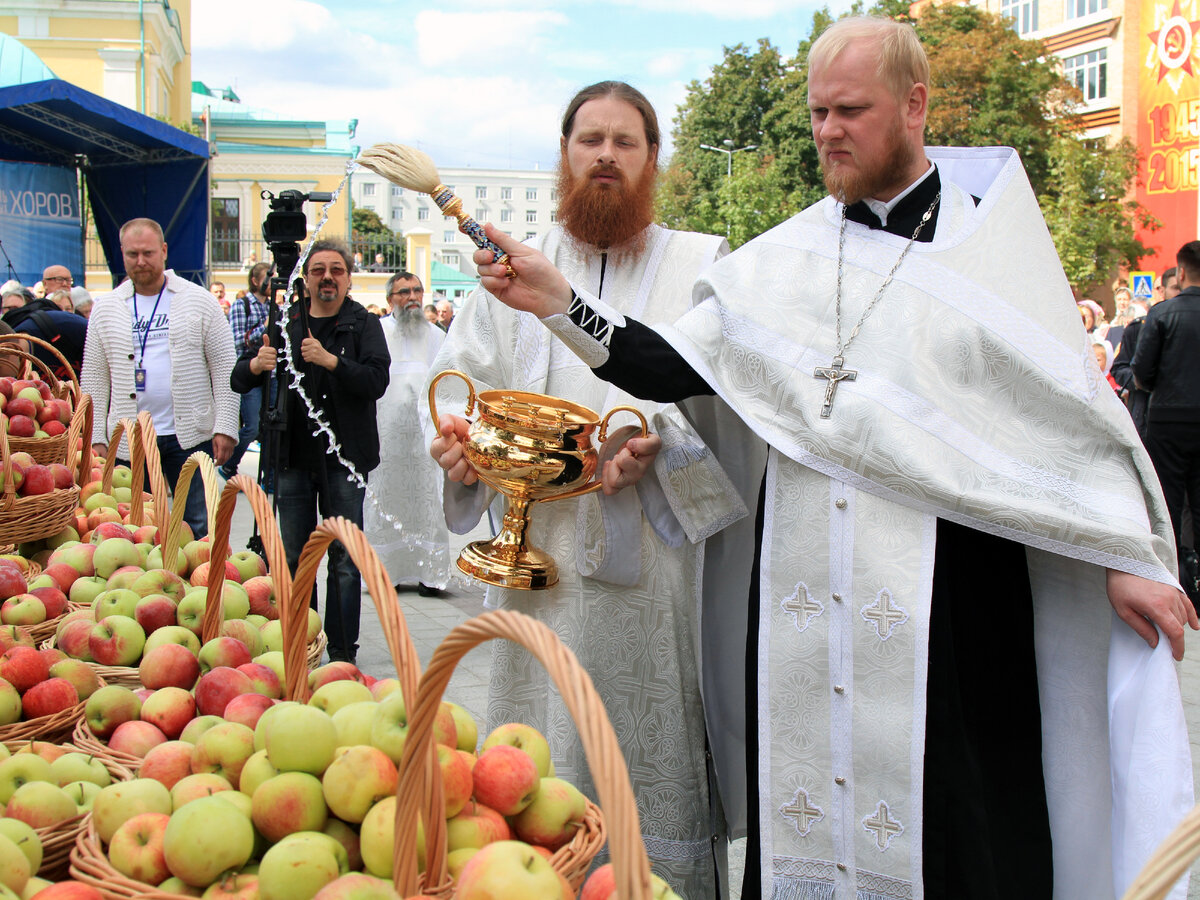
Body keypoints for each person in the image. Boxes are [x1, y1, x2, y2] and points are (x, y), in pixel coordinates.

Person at [457, 19, 1195, 899]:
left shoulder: (991, 257)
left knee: (957, 819)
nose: (827, 132)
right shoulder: (789, 258)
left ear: (915, 105)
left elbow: (1066, 430)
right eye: (817, 113)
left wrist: (1123, 554)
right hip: (807, 597)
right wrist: (556, 301)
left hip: (950, 599)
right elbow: (668, 364)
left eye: (850, 110)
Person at [425, 81, 746, 900]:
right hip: (538, 565)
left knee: (646, 753)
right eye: (589, 139)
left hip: (655, 572)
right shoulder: (510, 272)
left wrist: (660, 447)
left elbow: (728, 406)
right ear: (564, 155)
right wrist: (462, 448)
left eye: (625, 141)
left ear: (652, 160)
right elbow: (463, 383)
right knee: (539, 753)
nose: (605, 154)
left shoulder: (700, 264)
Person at [231, 239, 389, 665]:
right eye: (318, 270)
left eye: (337, 270)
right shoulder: (286, 322)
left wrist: (332, 362)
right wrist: (255, 365)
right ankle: (306, 645)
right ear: (305, 279)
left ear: (349, 278)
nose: (327, 277)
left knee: (343, 559)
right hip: (292, 459)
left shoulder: (362, 324)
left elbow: (377, 381)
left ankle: (342, 653)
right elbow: (238, 378)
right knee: (297, 557)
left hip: (344, 458)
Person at [82, 217, 239, 540]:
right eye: (132, 254)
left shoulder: (199, 300)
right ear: (121, 254)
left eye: (148, 253)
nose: (141, 261)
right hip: (128, 439)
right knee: (136, 528)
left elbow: (225, 367)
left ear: (164, 251)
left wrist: (225, 425)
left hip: (192, 435)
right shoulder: (106, 307)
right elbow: (95, 378)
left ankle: (203, 585)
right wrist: (95, 435)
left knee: (198, 524)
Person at [364, 272, 450, 596]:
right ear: (390, 300)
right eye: (403, 292)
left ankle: (430, 576)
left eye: (416, 290)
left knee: (428, 501)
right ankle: (387, 573)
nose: (412, 297)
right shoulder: (377, 332)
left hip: (425, 436)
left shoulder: (437, 336)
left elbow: (447, 381)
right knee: (386, 498)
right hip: (385, 436)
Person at [1132, 241, 1200, 605]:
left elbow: (1143, 372)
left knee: (1168, 503)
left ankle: (1172, 581)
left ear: (1182, 273)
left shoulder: (1162, 314)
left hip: (1169, 418)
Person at [221, 262, 272, 481]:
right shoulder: (242, 306)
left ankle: (268, 477)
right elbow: (238, 341)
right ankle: (229, 465)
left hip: (271, 371)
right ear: (255, 280)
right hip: (250, 371)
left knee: (271, 426)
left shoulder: (273, 306)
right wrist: (266, 327)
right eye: (268, 277)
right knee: (251, 426)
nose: (273, 282)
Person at [1, 286, 87, 378]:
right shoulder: (22, 370)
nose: (6, 380)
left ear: (8, 349)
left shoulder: (65, 325)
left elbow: (100, 337)